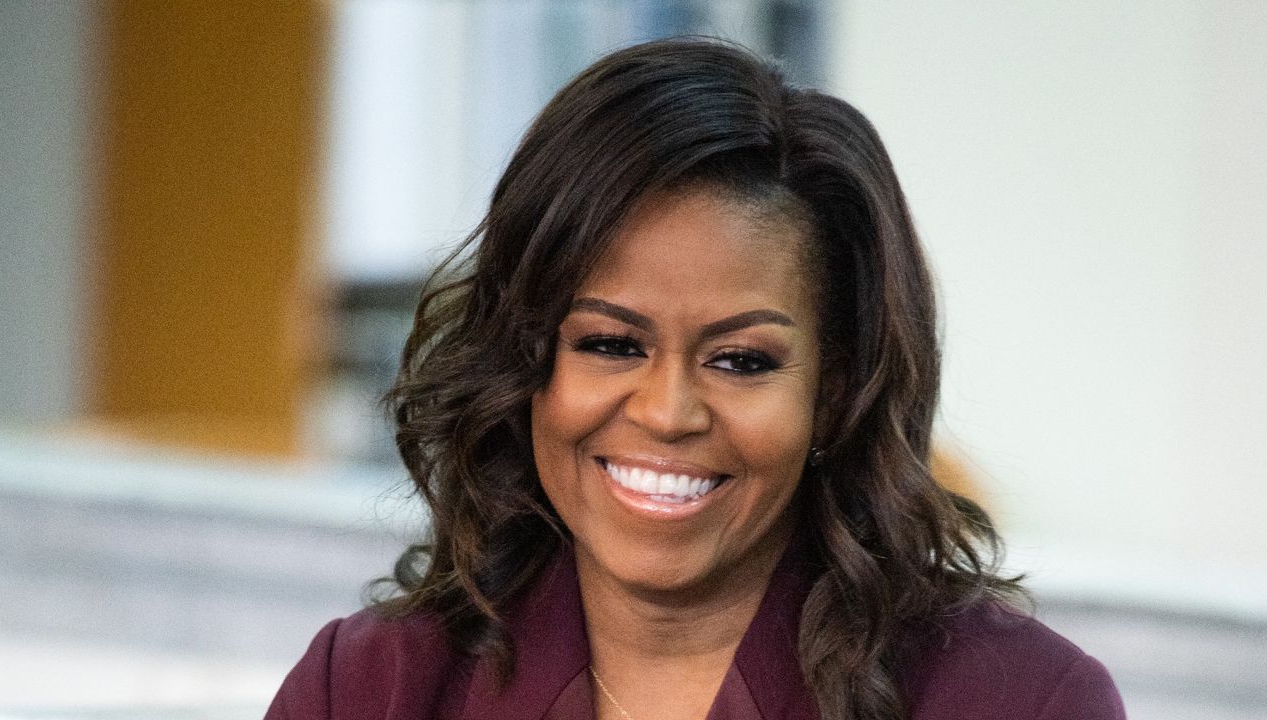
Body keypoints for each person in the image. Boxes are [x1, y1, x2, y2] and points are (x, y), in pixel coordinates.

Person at [266, 39, 1126, 720]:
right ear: (525, 363)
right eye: (609, 344)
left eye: (741, 361)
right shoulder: (371, 690)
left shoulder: (1018, 703)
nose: (668, 411)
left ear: (836, 392)